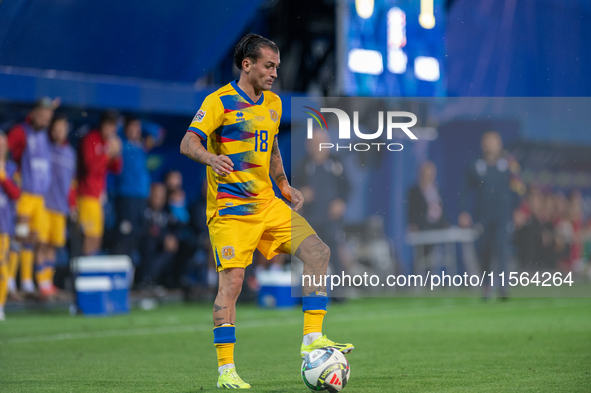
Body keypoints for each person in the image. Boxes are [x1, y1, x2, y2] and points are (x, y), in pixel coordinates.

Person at [180, 34, 353, 389]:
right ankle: (226, 370)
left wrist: (284, 184)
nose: (275, 72)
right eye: (268, 65)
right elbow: (188, 142)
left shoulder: (273, 103)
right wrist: (211, 158)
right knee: (233, 284)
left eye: (276, 66)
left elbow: (271, 145)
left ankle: (311, 338)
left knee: (319, 252)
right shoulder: (219, 102)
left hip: (267, 204)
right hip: (231, 212)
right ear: (247, 65)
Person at [459, 131, 522, 299]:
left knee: (502, 249)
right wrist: (464, 211)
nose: (490, 145)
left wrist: (518, 209)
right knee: (485, 250)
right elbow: (465, 189)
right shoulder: (475, 164)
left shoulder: (509, 162)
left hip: (503, 213)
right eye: (487, 141)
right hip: (484, 214)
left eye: (494, 141)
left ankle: (503, 288)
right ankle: (487, 286)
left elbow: (517, 185)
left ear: (499, 143)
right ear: (482, 144)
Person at [7, 97, 57, 296]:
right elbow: (7, 152)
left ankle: (27, 281)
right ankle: (9, 280)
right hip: (25, 195)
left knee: (34, 239)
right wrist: (12, 175)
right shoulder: (21, 131)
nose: (46, 119)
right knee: (19, 236)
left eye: (49, 116)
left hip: (40, 198)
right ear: (34, 113)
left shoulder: (46, 136)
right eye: (43, 115)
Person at [77, 110, 123, 255]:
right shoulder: (91, 139)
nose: (111, 130)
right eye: (109, 125)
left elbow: (116, 169)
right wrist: (108, 153)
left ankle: (90, 270)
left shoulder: (107, 142)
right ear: (102, 125)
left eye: (114, 126)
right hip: (86, 194)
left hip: (98, 196)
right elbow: (91, 167)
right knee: (89, 236)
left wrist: (117, 153)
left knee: (97, 237)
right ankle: (83, 271)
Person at [41, 114, 76, 298]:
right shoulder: (46, 147)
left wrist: (72, 205)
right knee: (42, 244)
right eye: (56, 128)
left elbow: (71, 183)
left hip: (61, 208)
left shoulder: (70, 153)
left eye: (62, 128)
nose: (58, 132)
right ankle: (40, 283)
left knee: (53, 246)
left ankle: (47, 283)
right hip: (45, 205)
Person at [114, 115, 151, 256]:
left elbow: (159, 132)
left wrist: (142, 123)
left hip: (141, 196)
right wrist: (122, 123)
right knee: (125, 233)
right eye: (132, 127)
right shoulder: (121, 143)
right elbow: (113, 134)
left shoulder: (142, 146)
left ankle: (131, 269)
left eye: (138, 127)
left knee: (139, 233)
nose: (136, 130)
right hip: (126, 195)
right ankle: (120, 266)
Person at [0, 131, 21, 320]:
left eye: (3, 145)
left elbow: (16, 194)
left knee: (1, 267)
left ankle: (0, 306)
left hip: (3, 226)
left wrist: (3, 177)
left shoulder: (11, 168)